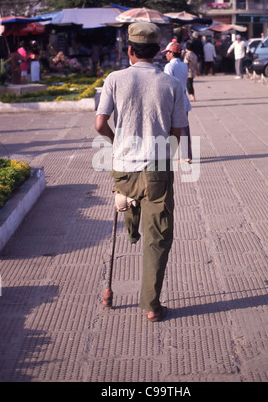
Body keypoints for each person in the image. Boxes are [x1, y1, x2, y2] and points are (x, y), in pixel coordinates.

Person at [95, 22, 187, 322]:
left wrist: (116, 141)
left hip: (123, 167)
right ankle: (151, 305)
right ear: (158, 52)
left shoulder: (115, 79)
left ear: (130, 50)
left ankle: (131, 222)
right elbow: (178, 130)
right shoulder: (172, 84)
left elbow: (99, 123)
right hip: (156, 168)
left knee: (130, 197)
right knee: (158, 235)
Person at [162, 40, 192, 164]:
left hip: (174, 101)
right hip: (184, 99)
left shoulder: (169, 66)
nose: (165, 55)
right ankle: (186, 154)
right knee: (184, 128)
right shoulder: (184, 65)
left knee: (170, 128)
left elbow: (167, 85)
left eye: (167, 53)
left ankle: (181, 156)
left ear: (171, 53)